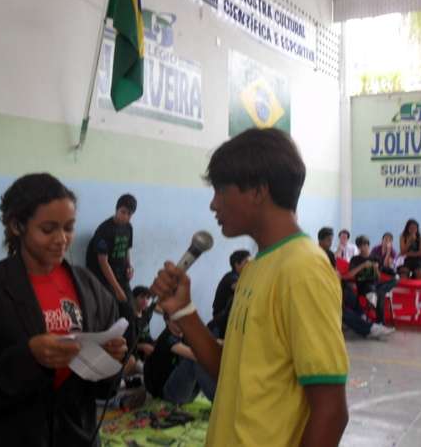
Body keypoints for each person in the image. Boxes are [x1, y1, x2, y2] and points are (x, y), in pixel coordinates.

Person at [151, 128, 349, 447]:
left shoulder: (303, 269)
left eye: (221, 190)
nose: (213, 204)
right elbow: (232, 371)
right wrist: (184, 311)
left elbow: (331, 412)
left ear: (258, 190)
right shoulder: (256, 268)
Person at [0, 173, 127, 447]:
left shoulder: (91, 289)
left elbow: (103, 389)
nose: (61, 239)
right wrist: (28, 357)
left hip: (76, 435)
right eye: (48, 229)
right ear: (17, 225)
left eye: (69, 228)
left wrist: (110, 359)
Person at [318, 228, 394, 340]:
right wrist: (362, 267)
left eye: (331, 240)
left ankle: (364, 318)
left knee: (351, 295)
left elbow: (335, 271)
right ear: (320, 240)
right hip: (328, 287)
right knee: (343, 310)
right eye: (328, 240)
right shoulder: (317, 254)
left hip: (342, 285)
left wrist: (375, 268)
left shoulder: (329, 254)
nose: (330, 243)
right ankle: (369, 328)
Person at [86, 194, 137, 348]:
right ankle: (110, 349)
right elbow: (103, 263)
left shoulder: (128, 228)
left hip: (121, 275)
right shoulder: (104, 230)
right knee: (112, 312)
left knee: (130, 311)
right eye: (123, 212)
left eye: (129, 214)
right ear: (116, 209)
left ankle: (129, 351)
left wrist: (129, 266)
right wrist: (117, 289)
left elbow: (126, 249)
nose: (125, 216)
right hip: (103, 278)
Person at [144, 315, 215, 404]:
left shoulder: (185, 336)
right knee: (194, 359)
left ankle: (217, 394)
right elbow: (196, 355)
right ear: (167, 321)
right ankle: (216, 398)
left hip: (187, 392)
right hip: (169, 394)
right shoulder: (167, 338)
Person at [348, 235, 396, 324]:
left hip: (376, 284)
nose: (363, 248)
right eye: (361, 246)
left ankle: (378, 319)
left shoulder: (375, 258)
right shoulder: (355, 259)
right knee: (379, 293)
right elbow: (350, 274)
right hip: (364, 285)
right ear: (358, 247)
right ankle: (380, 322)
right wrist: (363, 265)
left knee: (394, 280)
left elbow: (378, 277)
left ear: (368, 245)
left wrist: (375, 268)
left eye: (365, 245)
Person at [211, 249, 250, 318]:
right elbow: (240, 288)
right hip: (221, 320)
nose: (249, 264)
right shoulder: (231, 277)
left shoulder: (239, 277)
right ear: (237, 265)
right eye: (246, 262)